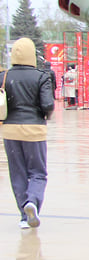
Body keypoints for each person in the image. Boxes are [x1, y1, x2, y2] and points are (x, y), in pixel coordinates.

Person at [2, 38, 55, 229]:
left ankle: (24, 215)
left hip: (10, 131)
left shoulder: (4, 76)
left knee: (17, 173)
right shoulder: (41, 76)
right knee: (38, 173)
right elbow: (48, 105)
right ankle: (32, 202)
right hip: (34, 130)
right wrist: (45, 116)